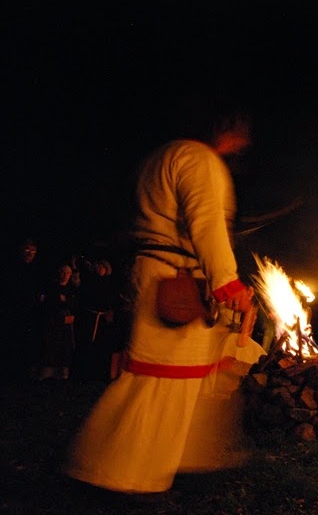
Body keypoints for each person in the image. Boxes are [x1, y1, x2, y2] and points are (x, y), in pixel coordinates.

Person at [64, 99, 265, 494]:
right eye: (240, 132)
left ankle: (175, 462)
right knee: (161, 377)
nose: (243, 143)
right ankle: (118, 470)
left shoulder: (160, 157)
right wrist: (229, 283)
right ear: (223, 129)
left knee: (179, 376)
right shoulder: (199, 160)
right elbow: (206, 223)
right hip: (176, 281)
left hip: (157, 273)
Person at [2, 237, 44, 382]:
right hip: (13, 311)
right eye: (27, 249)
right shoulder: (11, 269)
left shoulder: (36, 270)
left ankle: (23, 372)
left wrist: (40, 298)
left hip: (30, 312)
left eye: (33, 250)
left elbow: (40, 291)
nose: (30, 253)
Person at [37, 262, 79, 380]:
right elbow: (47, 307)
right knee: (52, 347)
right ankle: (47, 374)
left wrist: (70, 312)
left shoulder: (71, 289)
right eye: (63, 272)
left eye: (68, 273)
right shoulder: (52, 288)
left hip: (67, 324)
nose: (65, 275)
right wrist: (60, 318)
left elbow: (75, 305)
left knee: (64, 348)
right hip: (54, 323)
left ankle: (62, 374)